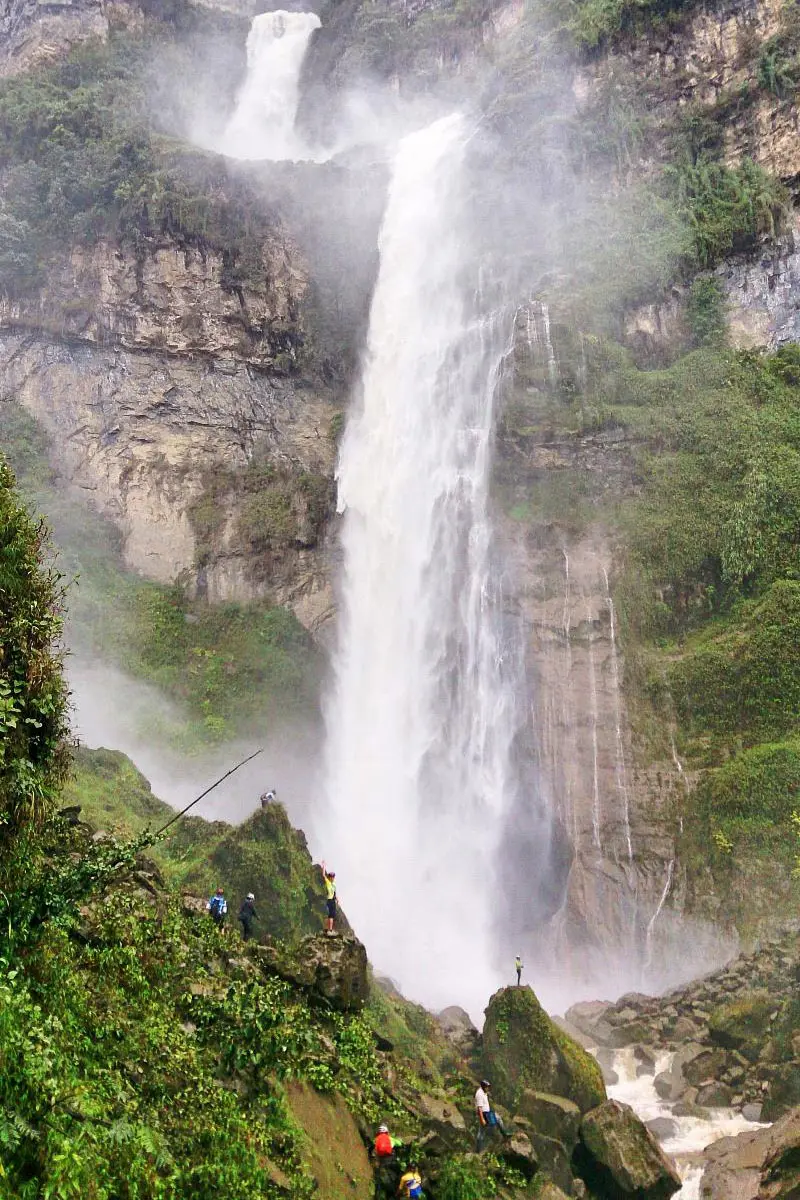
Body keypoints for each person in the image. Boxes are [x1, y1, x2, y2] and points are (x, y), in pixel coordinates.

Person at [475, 1080, 510, 1151]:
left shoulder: (483, 1092)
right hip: (484, 1114)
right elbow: (480, 1108)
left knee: (498, 1119)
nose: (488, 1088)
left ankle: (505, 1134)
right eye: (487, 1087)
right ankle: (478, 1150)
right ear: (483, 1087)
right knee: (481, 1132)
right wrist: (482, 1119)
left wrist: (488, 1094)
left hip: (488, 1112)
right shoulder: (479, 1094)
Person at [322, 862, 337, 935]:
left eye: (333, 876)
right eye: (332, 877)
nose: (332, 878)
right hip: (330, 901)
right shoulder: (328, 882)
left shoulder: (334, 884)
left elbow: (335, 892)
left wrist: (337, 899)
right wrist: (324, 866)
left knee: (331, 916)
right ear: (330, 877)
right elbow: (323, 875)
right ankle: (329, 930)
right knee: (330, 916)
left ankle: (329, 929)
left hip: (332, 900)